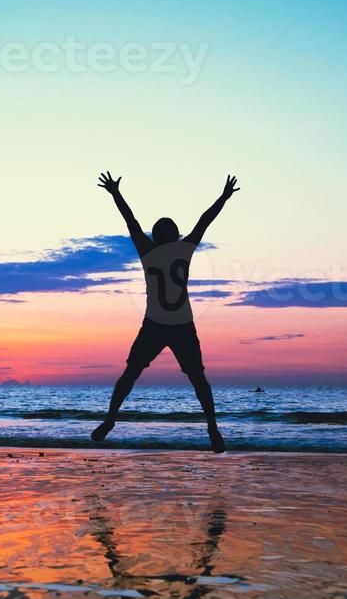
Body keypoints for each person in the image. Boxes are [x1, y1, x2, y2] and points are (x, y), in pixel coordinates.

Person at [91, 171, 239, 453]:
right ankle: (213, 428)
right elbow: (204, 221)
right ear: (175, 235)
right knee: (197, 378)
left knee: (130, 373)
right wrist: (224, 197)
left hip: (156, 325)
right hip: (181, 324)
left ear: (156, 236)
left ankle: (110, 419)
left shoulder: (147, 250)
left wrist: (115, 194)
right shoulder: (185, 248)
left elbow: (130, 221)